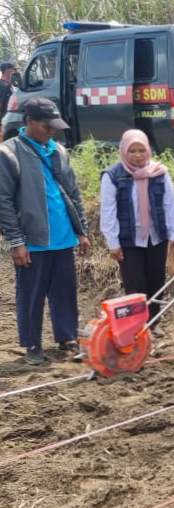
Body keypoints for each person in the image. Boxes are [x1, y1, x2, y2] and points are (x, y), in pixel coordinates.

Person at [0, 97, 90, 365]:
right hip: (33, 238)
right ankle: (32, 344)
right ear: (29, 122)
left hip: (63, 236)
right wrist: (16, 241)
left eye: (54, 127)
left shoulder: (59, 151)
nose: (51, 132)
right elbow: (3, 200)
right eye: (45, 126)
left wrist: (82, 231)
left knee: (64, 291)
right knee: (31, 293)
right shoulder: (9, 153)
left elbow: (73, 193)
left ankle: (67, 338)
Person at [100, 129, 174, 327]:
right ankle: (137, 327)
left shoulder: (160, 173)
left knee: (156, 283)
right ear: (123, 152)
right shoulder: (113, 176)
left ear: (148, 151)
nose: (138, 156)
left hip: (156, 238)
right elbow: (108, 211)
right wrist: (113, 243)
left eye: (142, 150)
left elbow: (171, 204)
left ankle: (153, 324)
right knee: (135, 285)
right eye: (132, 151)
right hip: (129, 240)